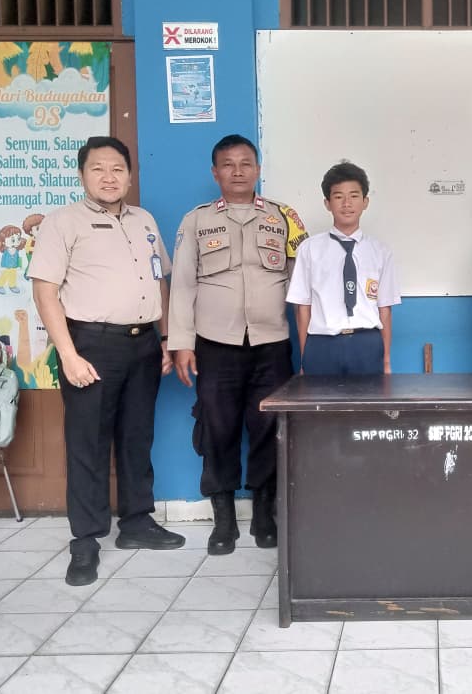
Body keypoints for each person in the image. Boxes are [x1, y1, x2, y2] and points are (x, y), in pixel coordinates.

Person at [29, 136, 185, 587]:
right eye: (98, 168)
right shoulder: (62, 223)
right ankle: (85, 539)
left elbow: (159, 281)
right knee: (88, 443)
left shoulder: (144, 220)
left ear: (130, 176)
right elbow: (44, 292)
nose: (109, 177)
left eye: (117, 169)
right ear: (82, 175)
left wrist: (165, 339)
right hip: (90, 346)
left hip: (143, 344)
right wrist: (68, 354)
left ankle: (136, 522)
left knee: (137, 437)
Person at [168, 134, 308, 556]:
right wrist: (181, 343)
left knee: (268, 428)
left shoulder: (284, 218)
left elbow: (303, 284)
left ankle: (264, 514)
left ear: (258, 169)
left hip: (271, 343)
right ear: (215, 173)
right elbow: (182, 285)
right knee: (217, 428)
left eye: (246, 163)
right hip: (215, 344)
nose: (238, 171)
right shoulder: (197, 221)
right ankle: (224, 519)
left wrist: (311, 348)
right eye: (228, 164)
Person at [287, 161, 400, 374]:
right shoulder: (309, 249)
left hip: (366, 344)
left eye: (354, 196)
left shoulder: (380, 251)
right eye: (338, 197)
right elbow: (303, 308)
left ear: (365, 202)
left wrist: (386, 361)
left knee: (369, 397)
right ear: (327, 203)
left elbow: (385, 309)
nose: (347, 204)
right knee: (319, 397)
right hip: (322, 344)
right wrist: (304, 360)